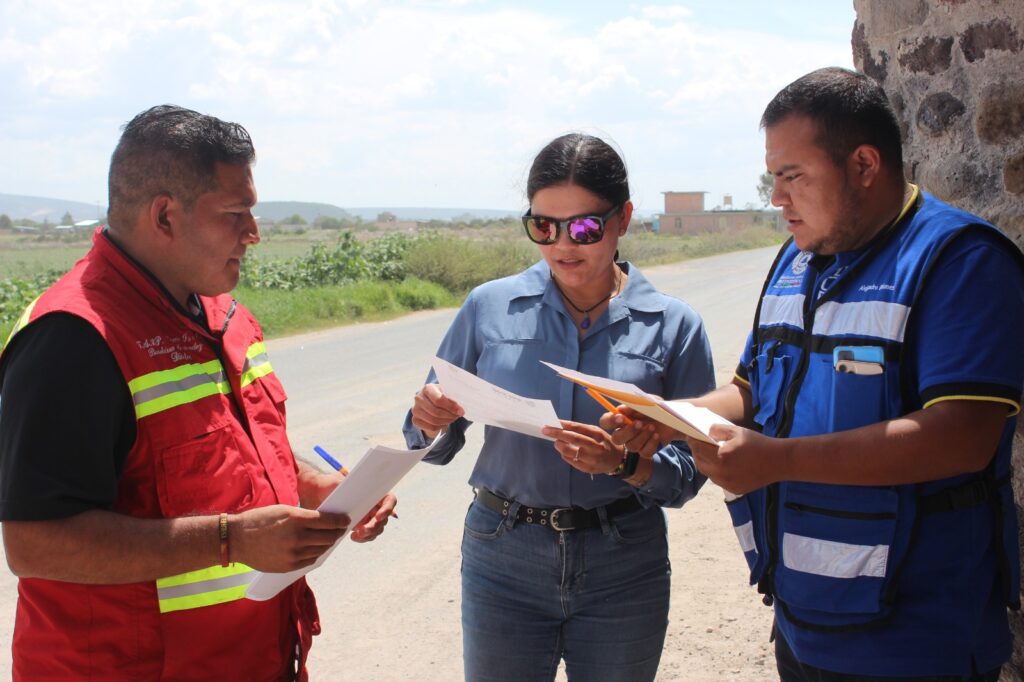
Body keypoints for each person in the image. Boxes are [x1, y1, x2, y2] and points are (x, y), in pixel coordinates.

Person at [606, 67, 1024, 681]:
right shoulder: (797, 260)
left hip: (915, 637)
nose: (777, 198)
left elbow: (962, 436)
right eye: (773, 178)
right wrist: (672, 419)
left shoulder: (959, 260)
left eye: (792, 177)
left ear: (863, 164)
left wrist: (775, 460)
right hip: (805, 623)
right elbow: (752, 388)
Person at [0, 105, 397, 681]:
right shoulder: (74, 336)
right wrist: (230, 540)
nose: (253, 234)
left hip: (250, 658)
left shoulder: (222, 312)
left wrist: (321, 488)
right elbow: (37, 543)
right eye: (237, 213)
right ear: (163, 216)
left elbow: (233, 451)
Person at [402, 133, 715, 682]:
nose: (563, 245)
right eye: (543, 227)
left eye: (585, 228)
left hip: (625, 563)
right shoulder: (488, 308)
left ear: (623, 219)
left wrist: (622, 464)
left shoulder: (674, 325)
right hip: (503, 557)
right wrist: (428, 421)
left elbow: (690, 476)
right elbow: (425, 440)